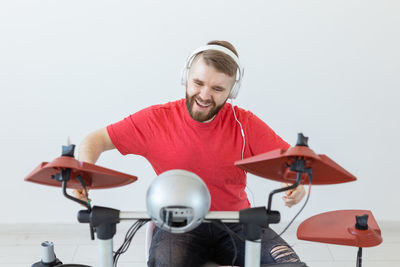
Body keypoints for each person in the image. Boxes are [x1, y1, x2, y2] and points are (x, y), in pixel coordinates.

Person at [74, 40, 307, 266]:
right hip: (179, 223)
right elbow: (96, 140)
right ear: (185, 78)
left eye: (217, 89)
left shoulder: (244, 123)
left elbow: (292, 162)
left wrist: (298, 184)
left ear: (232, 91)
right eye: (198, 83)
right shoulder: (157, 120)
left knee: (290, 264)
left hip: (236, 222)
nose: (205, 95)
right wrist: (83, 173)